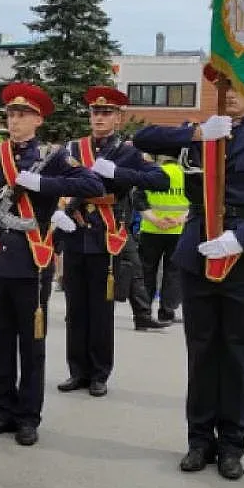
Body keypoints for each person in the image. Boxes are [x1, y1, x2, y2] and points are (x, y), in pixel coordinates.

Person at [133, 67, 244, 480]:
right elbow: (140, 138)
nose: (231, 95)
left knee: (238, 352)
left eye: (240, 87)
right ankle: (199, 440)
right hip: (197, 255)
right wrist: (194, 135)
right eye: (224, 86)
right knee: (201, 350)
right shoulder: (199, 134)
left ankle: (231, 444)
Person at [0, 83, 104, 446]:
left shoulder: (51, 157)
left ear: (38, 119)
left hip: (34, 259)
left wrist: (43, 182)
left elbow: (92, 183)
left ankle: (28, 416)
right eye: (11, 114)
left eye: (22, 115)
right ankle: (2, 410)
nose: (15, 120)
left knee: (31, 344)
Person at [57, 87, 171, 397]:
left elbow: (161, 179)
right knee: (75, 308)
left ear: (118, 118)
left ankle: (99, 373)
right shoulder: (73, 148)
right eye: (95, 112)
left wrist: (119, 172)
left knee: (100, 310)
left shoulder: (126, 152)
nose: (99, 117)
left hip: (106, 238)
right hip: (76, 234)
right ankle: (76, 371)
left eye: (106, 113)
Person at [135, 154, 189, 323]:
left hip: (151, 230)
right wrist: (178, 220)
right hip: (178, 230)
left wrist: (155, 220)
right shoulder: (187, 175)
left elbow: (139, 199)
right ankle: (167, 310)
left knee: (147, 271)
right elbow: (197, 202)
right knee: (173, 272)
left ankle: (145, 309)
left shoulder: (151, 174)